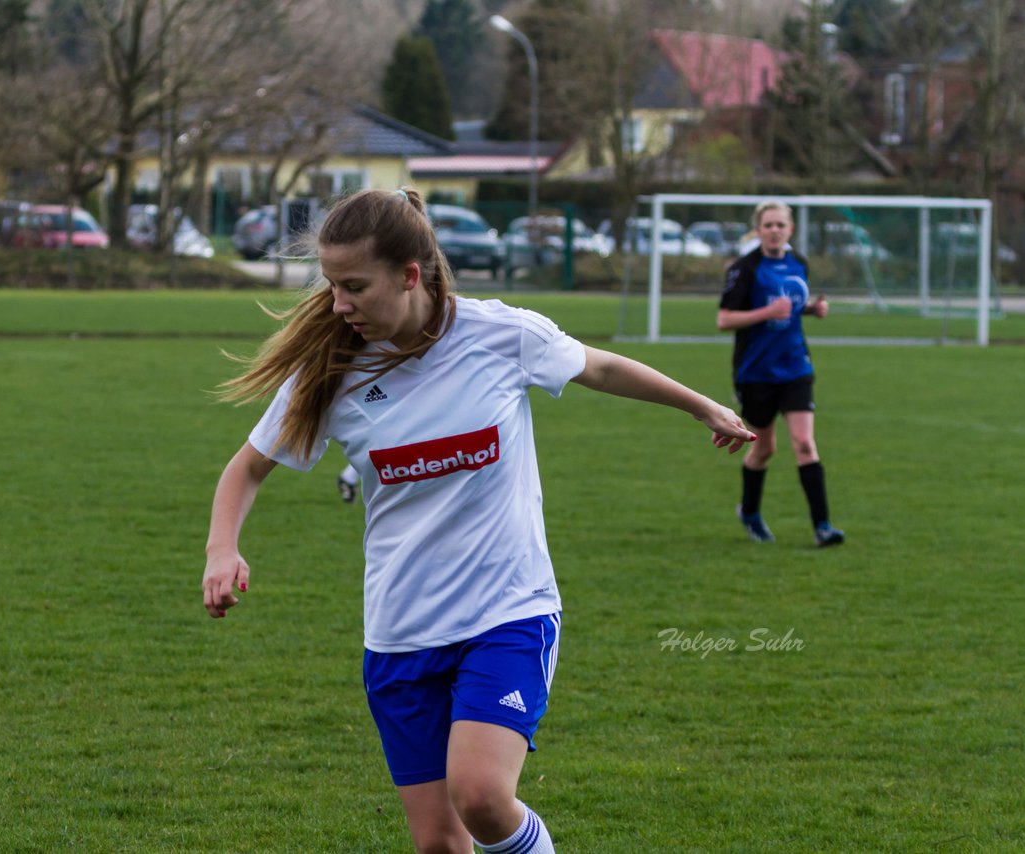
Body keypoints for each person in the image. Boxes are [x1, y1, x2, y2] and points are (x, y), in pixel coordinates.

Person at [203, 187, 756, 854]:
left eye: (353, 285)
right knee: (439, 843)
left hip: (506, 612)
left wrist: (702, 407)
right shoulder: (333, 370)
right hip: (401, 630)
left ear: (410, 275)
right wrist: (221, 550)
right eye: (329, 285)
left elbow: (601, 366)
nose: (338, 303)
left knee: (483, 798)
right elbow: (247, 468)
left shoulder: (503, 335)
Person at [717, 199, 845, 548]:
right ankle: (751, 513)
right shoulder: (745, 268)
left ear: (791, 229)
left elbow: (789, 304)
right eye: (768, 225)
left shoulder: (798, 263)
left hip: (795, 366)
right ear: (758, 230)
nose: (774, 231)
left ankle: (823, 527)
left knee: (805, 443)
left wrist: (811, 310)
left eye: (780, 225)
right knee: (764, 449)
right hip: (755, 371)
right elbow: (724, 319)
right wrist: (766, 312)